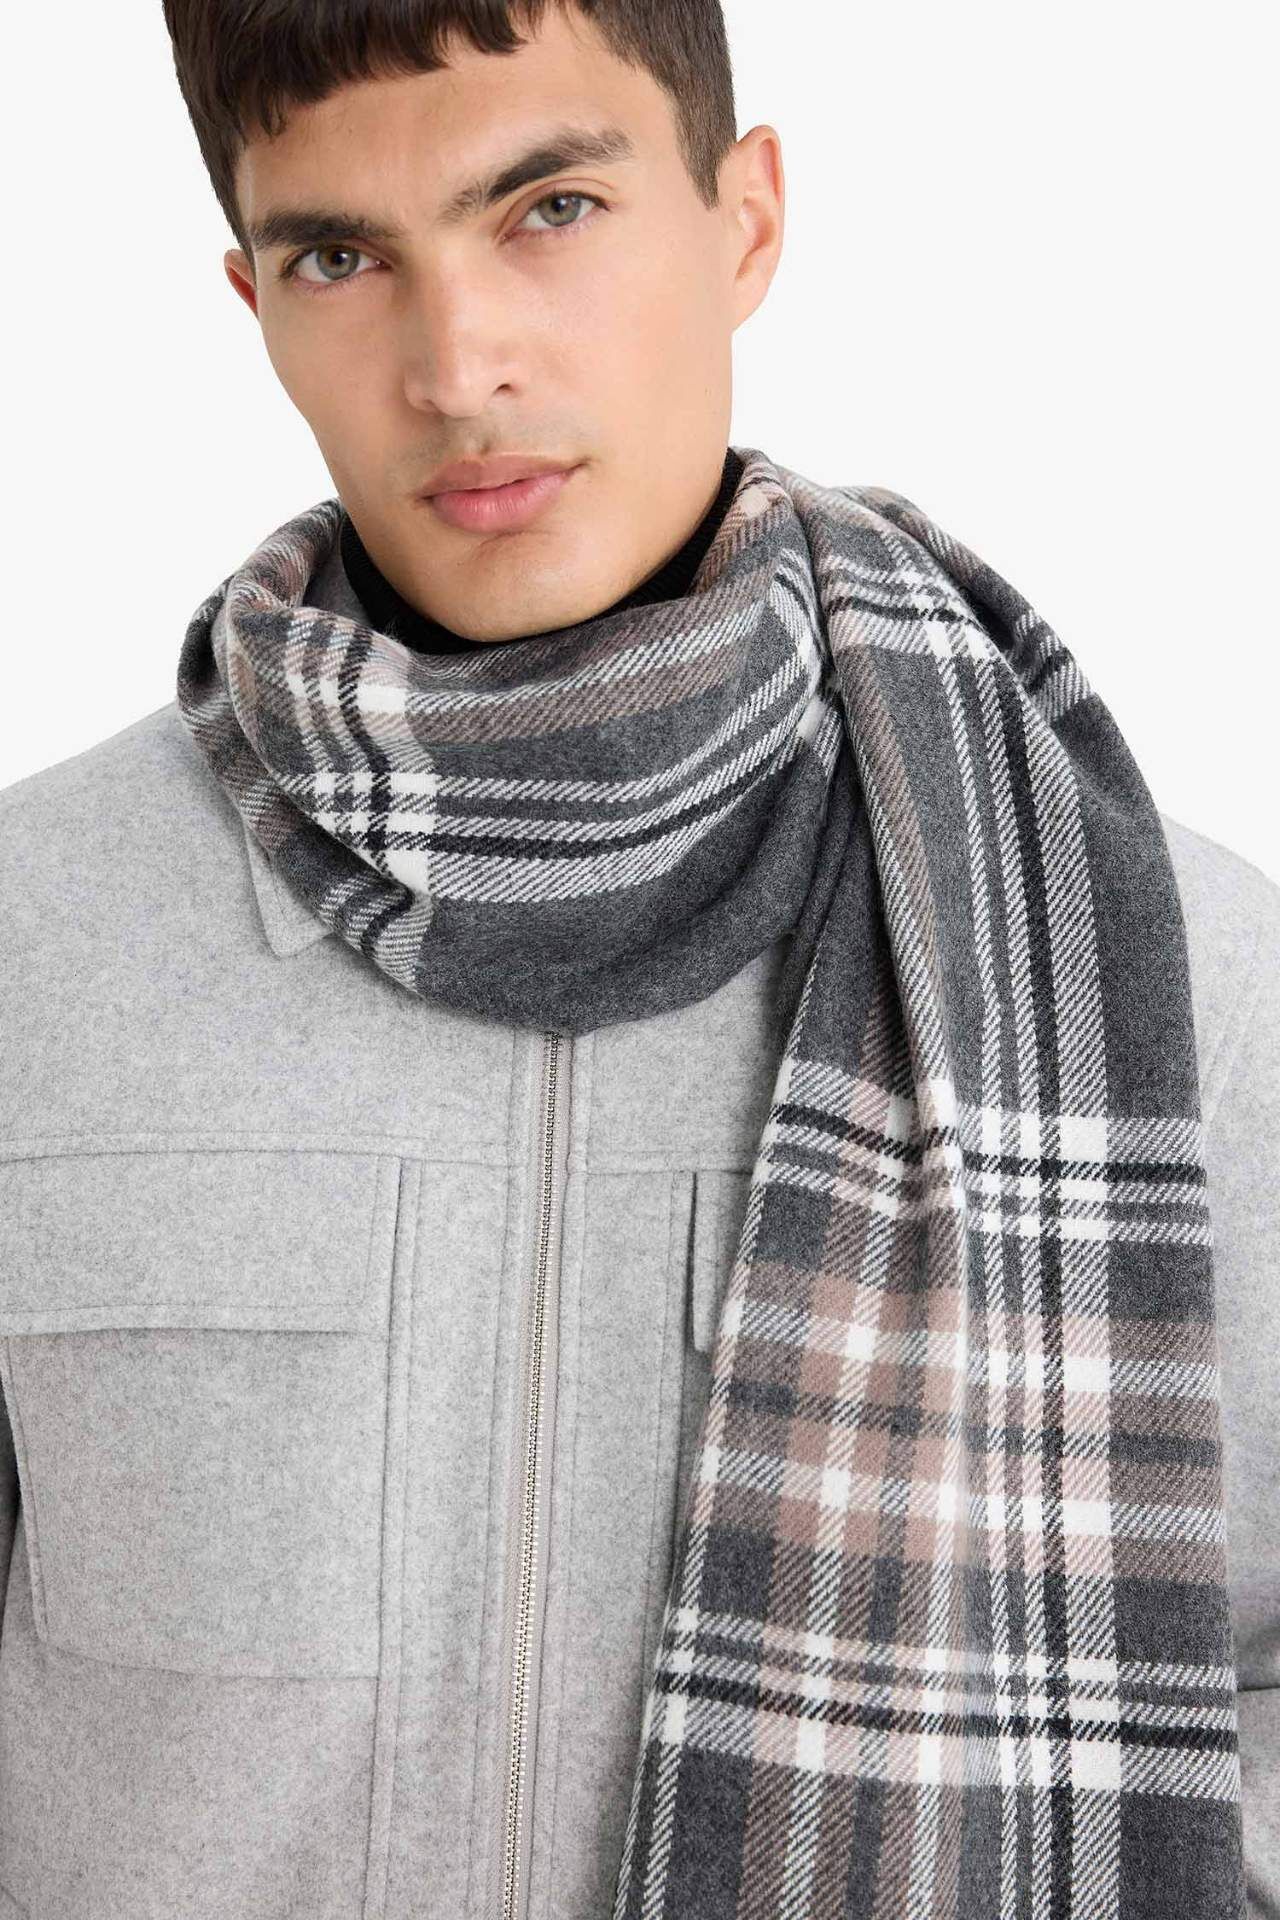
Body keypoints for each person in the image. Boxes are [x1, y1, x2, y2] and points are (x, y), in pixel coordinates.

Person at [0, 3, 1275, 1916]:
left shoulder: (1162, 969)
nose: (458, 365)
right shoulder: (31, 934)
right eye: (340, 256)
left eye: (551, 208)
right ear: (252, 302)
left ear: (745, 221)